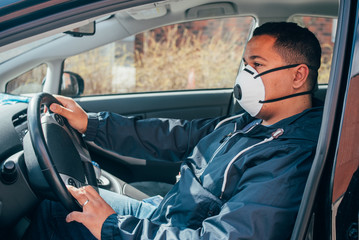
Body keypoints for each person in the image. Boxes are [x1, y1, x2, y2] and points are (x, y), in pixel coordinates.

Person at [25, 22, 323, 239]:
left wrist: (114, 227)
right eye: (245, 64)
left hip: (174, 230)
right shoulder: (247, 121)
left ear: (298, 75)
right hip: (164, 214)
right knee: (56, 201)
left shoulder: (291, 156)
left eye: (257, 64)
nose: (246, 75)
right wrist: (93, 124)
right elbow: (175, 135)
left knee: (56, 210)